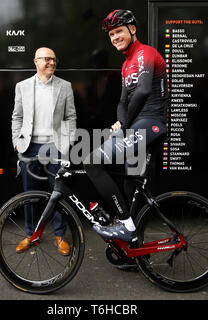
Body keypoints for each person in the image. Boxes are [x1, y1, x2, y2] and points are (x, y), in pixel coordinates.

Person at [84, 10, 169, 245]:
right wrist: (122, 123)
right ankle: (133, 251)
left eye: (119, 31)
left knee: (92, 162)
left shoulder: (145, 53)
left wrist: (125, 125)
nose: (114, 37)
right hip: (136, 126)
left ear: (132, 29)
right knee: (130, 185)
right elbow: (122, 102)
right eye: (111, 34)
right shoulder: (126, 65)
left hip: (150, 123)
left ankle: (126, 226)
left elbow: (142, 91)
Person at [11, 47, 77, 256]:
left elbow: (71, 117)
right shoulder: (22, 86)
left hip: (55, 147)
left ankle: (59, 235)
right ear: (36, 62)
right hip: (29, 147)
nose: (51, 62)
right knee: (29, 194)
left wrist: (68, 143)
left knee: (57, 194)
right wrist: (16, 142)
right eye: (46, 59)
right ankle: (31, 234)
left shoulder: (65, 86)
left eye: (54, 59)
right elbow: (17, 117)